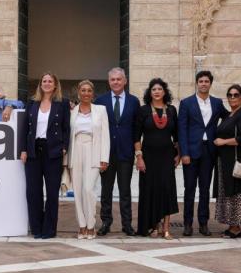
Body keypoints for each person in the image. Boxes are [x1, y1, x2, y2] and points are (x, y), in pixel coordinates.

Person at [19, 73, 71, 238]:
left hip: (53, 150)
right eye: (44, 81)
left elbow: (66, 128)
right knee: (33, 192)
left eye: (50, 81)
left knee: (52, 192)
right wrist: (23, 150)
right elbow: (24, 129)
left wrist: (64, 147)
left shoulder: (62, 103)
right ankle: (37, 228)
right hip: (34, 150)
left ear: (55, 85)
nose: (47, 84)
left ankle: (49, 229)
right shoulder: (32, 103)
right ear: (40, 84)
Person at [94, 67, 140, 236]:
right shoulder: (100, 101)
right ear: (109, 82)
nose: (116, 82)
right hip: (106, 153)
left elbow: (136, 129)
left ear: (125, 81)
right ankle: (106, 222)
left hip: (125, 153)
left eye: (119, 79)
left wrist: (137, 153)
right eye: (113, 79)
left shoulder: (134, 101)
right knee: (106, 190)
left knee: (125, 191)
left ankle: (127, 224)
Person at [178, 70, 225, 237]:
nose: (204, 84)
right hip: (190, 151)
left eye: (206, 81)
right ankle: (188, 224)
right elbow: (181, 130)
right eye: (201, 81)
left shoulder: (217, 103)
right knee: (189, 188)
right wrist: (184, 153)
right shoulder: (186, 103)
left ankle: (203, 223)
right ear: (196, 83)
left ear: (210, 83)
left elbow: (229, 117)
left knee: (205, 189)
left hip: (209, 151)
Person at [134, 78, 180, 238]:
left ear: (164, 92)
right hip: (148, 157)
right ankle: (154, 226)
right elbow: (136, 137)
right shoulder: (143, 110)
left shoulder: (172, 110)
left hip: (167, 157)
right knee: (150, 191)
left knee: (167, 190)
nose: (157, 92)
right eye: (154, 89)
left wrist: (178, 155)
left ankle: (166, 228)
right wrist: (139, 158)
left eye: (160, 89)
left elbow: (177, 137)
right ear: (150, 92)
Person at [68, 80, 110, 239]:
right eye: (83, 90)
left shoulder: (101, 110)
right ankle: (82, 225)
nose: (86, 93)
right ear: (78, 93)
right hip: (76, 149)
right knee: (78, 190)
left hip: (94, 149)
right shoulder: (72, 111)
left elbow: (105, 135)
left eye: (89, 91)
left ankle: (91, 225)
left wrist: (104, 157)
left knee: (88, 189)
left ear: (93, 93)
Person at [214, 84, 241, 239]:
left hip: (237, 161)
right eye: (230, 95)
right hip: (226, 162)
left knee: (237, 192)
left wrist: (223, 142)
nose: (232, 98)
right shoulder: (229, 115)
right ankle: (232, 225)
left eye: (236, 95)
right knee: (229, 193)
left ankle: (236, 227)